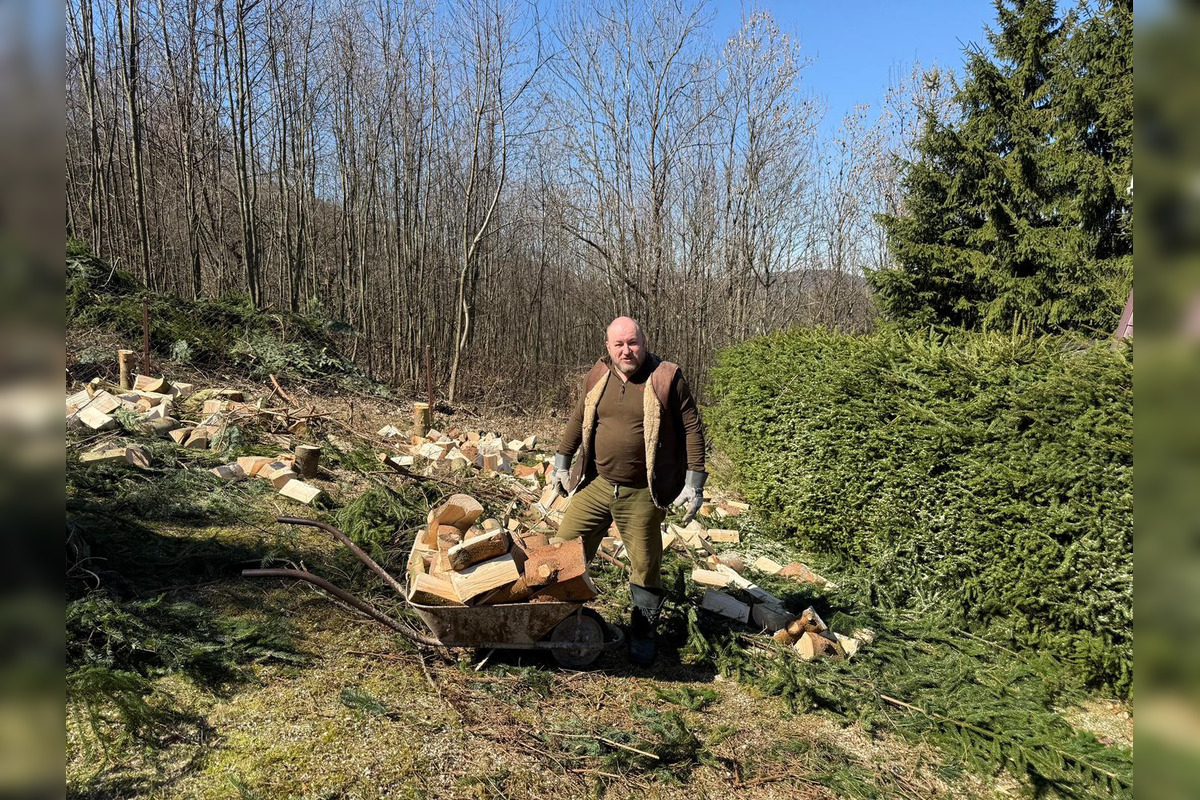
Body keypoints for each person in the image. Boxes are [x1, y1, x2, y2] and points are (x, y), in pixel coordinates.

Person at [549, 316, 707, 665]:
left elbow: (692, 429)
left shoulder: (666, 378)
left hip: (641, 492)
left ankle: (643, 630)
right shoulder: (598, 375)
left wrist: (694, 484)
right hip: (597, 483)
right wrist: (561, 462)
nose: (626, 350)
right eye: (619, 344)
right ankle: (556, 619)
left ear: (644, 342)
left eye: (632, 342)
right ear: (607, 347)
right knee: (564, 550)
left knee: (646, 565)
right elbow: (579, 418)